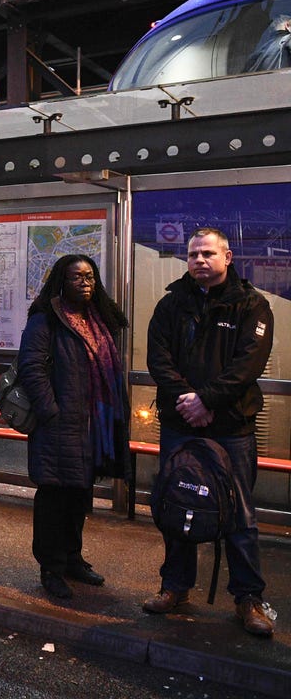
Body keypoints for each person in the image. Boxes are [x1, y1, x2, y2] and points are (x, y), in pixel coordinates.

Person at [143, 227, 275, 637]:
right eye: (193, 254)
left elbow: (247, 365)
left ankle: (248, 599)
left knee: (240, 513)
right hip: (182, 424)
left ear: (228, 257)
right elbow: (157, 358)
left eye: (207, 254)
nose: (199, 260)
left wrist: (206, 401)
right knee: (177, 504)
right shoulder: (171, 304)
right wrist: (188, 398)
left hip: (231, 426)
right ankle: (175, 588)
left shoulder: (252, 305)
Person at [18, 255, 130, 599]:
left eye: (90, 277)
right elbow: (32, 368)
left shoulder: (98, 320)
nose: (86, 283)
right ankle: (51, 568)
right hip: (59, 424)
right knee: (54, 496)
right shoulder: (46, 320)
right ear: (61, 282)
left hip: (91, 423)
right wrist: (52, 411)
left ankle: (72, 558)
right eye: (77, 277)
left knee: (79, 494)